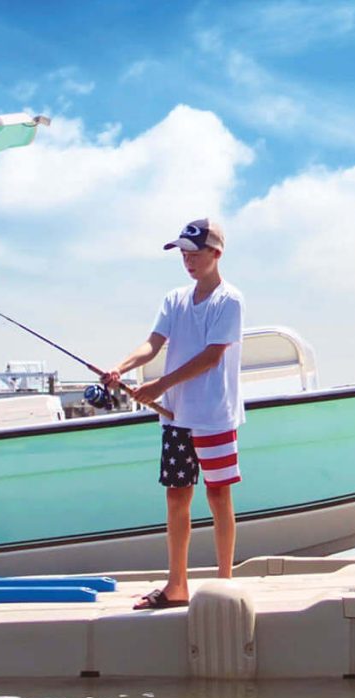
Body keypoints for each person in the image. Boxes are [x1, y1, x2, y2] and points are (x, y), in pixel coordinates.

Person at [104, 217, 244, 610]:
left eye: (195, 253)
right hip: (176, 416)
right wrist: (122, 368)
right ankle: (177, 584)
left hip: (214, 414)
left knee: (218, 495)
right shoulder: (174, 299)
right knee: (176, 497)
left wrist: (159, 387)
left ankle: (224, 583)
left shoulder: (229, 299)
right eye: (183, 253)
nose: (188, 260)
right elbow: (152, 344)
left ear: (216, 253)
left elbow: (212, 356)